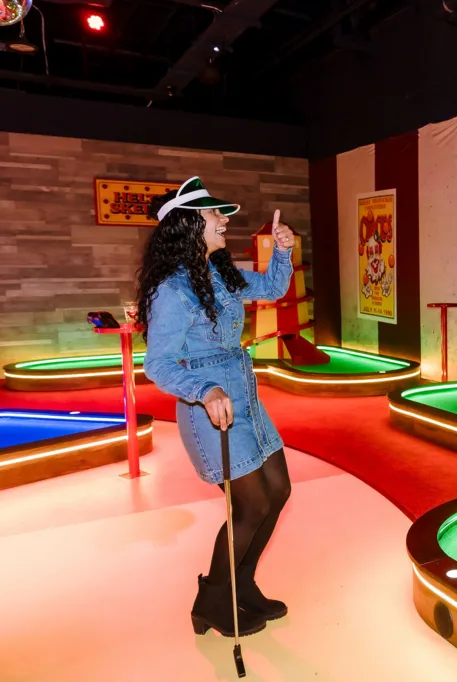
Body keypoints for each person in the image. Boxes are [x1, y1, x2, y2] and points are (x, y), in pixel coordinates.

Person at [138, 176, 296, 637]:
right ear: (189, 224)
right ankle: (211, 601)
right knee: (251, 506)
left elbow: (271, 286)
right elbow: (158, 364)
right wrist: (204, 389)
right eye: (213, 214)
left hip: (246, 396)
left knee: (279, 491)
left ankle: (241, 586)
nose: (223, 219)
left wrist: (282, 251)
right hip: (212, 409)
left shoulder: (222, 272)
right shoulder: (172, 290)